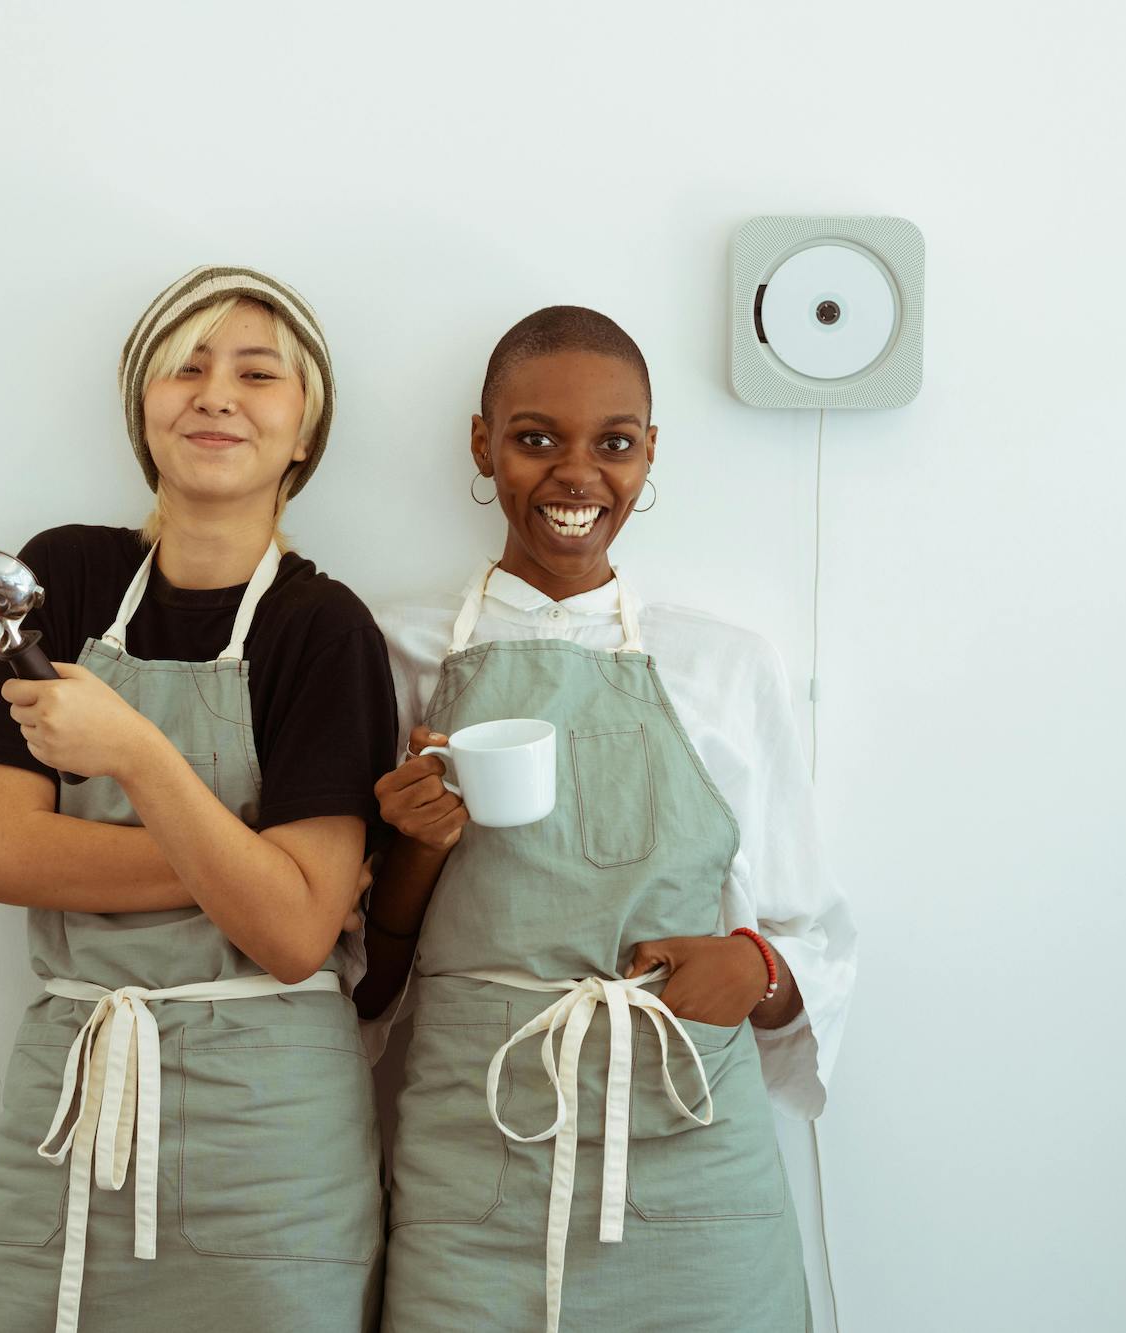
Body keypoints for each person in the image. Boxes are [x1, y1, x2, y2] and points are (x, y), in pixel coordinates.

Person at [355, 306, 856, 1332]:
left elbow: (811, 927)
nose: (574, 475)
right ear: (481, 442)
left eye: (612, 444)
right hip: (475, 1153)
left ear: (648, 452)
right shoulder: (392, 649)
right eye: (534, 438)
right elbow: (359, 965)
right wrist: (411, 846)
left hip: (691, 1155)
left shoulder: (722, 660)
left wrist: (756, 970)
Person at [0, 266, 394, 1332]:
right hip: (73, 1107)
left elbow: (287, 939)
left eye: (255, 373)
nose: (214, 393)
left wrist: (135, 753)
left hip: (269, 1144)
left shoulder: (325, 632)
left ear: (302, 431)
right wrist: (254, 868)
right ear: (142, 410)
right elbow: (0, 855)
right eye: (182, 365)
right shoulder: (60, 582)